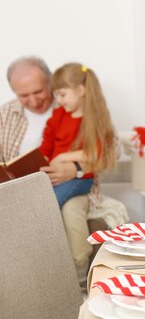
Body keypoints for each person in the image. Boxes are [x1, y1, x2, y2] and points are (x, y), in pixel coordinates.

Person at [0, 56, 94, 283]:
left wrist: (76, 169)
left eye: (38, 91)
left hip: (71, 184)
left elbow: (110, 149)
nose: (32, 100)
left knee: (62, 210)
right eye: (24, 95)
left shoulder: (71, 103)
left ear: (50, 83)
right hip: (18, 189)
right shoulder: (6, 113)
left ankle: (76, 281)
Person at [41, 62, 117, 207]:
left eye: (62, 94)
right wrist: (40, 161)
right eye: (56, 95)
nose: (58, 100)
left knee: (48, 205)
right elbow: (47, 144)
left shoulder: (94, 120)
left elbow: (94, 153)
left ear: (81, 90)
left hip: (80, 179)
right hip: (56, 177)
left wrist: (61, 157)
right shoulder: (58, 115)